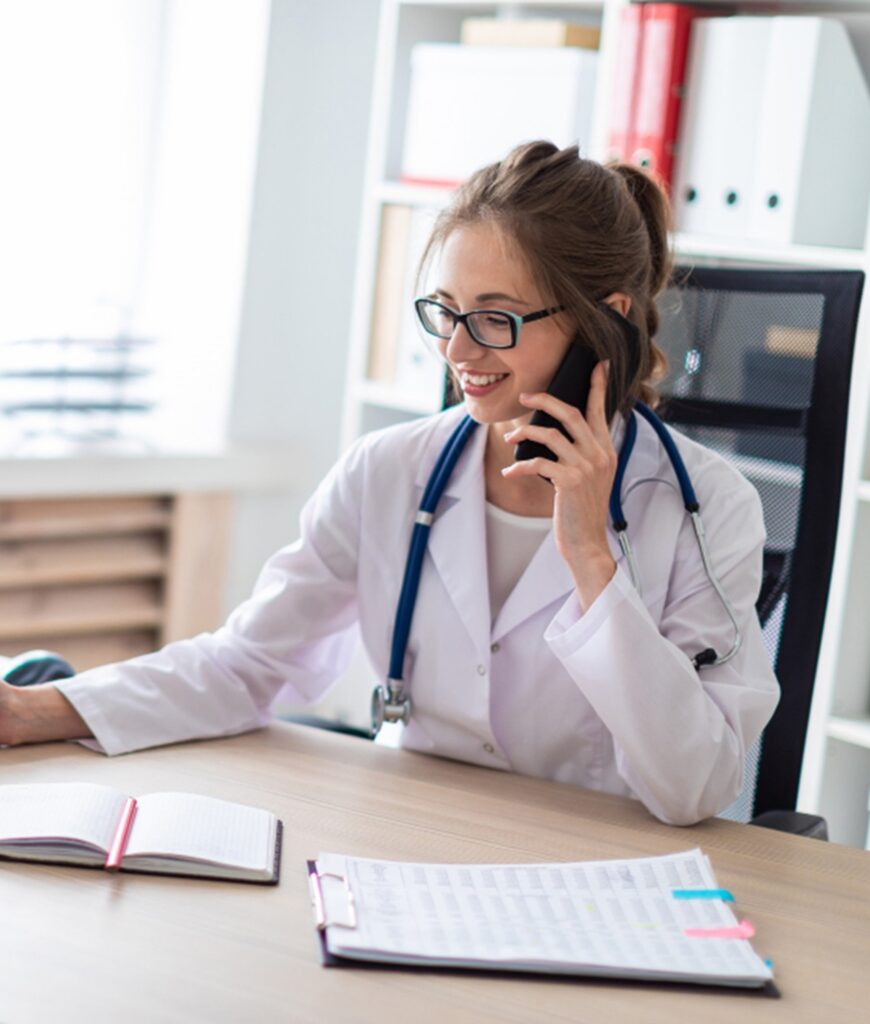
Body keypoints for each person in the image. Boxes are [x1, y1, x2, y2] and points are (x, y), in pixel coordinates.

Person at [0, 141, 779, 826]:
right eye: (446, 311)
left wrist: (591, 558)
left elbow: (695, 788)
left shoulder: (706, 510)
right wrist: (26, 711)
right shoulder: (390, 470)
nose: (458, 351)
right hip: (404, 845)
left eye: (496, 318)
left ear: (605, 320)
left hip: (591, 879)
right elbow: (245, 667)